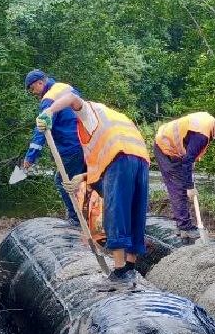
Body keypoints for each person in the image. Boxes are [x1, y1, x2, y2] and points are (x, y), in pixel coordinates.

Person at [39, 88, 151, 287]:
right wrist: (81, 178)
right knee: (135, 211)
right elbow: (102, 164)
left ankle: (119, 272)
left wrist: (49, 111)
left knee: (115, 210)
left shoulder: (90, 112)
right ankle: (130, 269)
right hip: (140, 159)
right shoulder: (115, 117)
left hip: (120, 158)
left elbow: (72, 98)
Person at [153, 112, 215, 241]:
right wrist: (190, 186)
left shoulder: (208, 126)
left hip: (175, 150)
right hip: (165, 148)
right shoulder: (202, 135)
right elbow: (187, 159)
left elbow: (189, 154)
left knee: (181, 184)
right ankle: (185, 228)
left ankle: (182, 225)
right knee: (179, 187)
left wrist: (189, 169)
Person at [16, 70, 86, 223]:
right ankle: (93, 216)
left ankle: (76, 219)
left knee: (63, 181)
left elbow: (40, 132)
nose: (33, 93)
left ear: (40, 83)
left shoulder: (48, 100)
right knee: (85, 180)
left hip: (70, 147)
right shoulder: (67, 88)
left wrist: (30, 158)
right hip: (86, 143)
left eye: (33, 89)